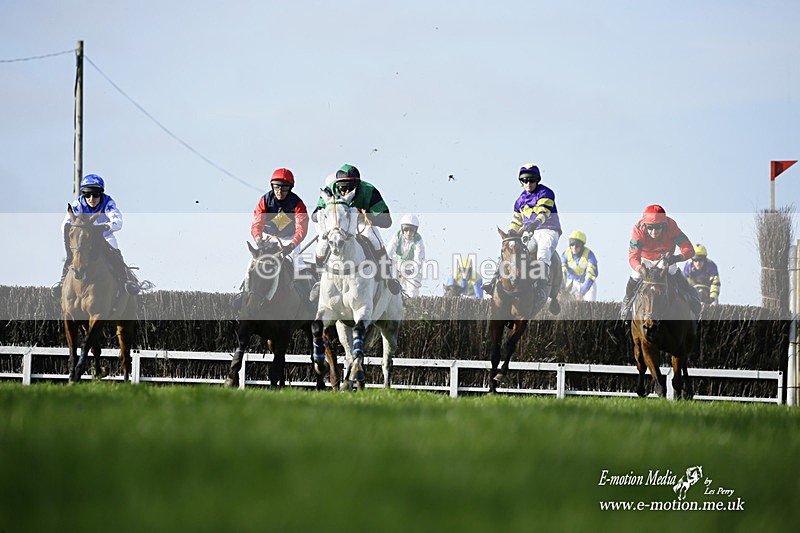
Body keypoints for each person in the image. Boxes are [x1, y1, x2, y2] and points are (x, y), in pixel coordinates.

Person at [310, 164, 400, 295]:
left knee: (375, 240)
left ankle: (388, 277)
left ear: (358, 185)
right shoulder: (329, 190)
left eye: (351, 188)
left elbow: (387, 221)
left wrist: (366, 215)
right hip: (339, 225)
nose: (346, 192)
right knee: (321, 246)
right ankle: (319, 281)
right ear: (337, 184)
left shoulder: (369, 191)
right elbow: (314, 216)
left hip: (362, 223)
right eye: (342, 188)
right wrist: (326, 212)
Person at [483, 163, 561, 310]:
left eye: (531, 180)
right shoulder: (520, 200)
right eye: (524, 181)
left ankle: (542, 291)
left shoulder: (546, 193)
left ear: (537, 180)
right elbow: (516, 221)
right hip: (529, 231)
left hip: (548, 230)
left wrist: (536, 222)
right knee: (511, 250)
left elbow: (543, 212)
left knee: (543, 253)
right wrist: (511, 233)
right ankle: (493, 280)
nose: (528, 183)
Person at [233, 168, 311, 311]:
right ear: (272, 187)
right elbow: (257, 223)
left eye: (284, 188)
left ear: (290, 189)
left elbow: (302, 227)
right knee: (253, 261)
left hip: (290, 238)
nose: (280, 191)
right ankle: (243, 293)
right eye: (276, 187)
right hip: (268, 237)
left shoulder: (297, 203)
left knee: (299, 264)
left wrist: (292, 245)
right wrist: (258, 239)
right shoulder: (264, 200)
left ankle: (307, 298)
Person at [51, 173, 139, 297]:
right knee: (73, 255)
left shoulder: (108, 202)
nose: (91, 199)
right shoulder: (78, 204)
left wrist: (106, 226)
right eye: (87, 194)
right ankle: (62, 283)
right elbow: (66, 224)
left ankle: (126, 281)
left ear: (101, 194)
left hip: (104, 236)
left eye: (96, 194)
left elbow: (118, 222)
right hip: (85, 239)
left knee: (115, 253)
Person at [620, 204, 701, 321]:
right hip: (645, 260)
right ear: (644, 225)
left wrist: (676, 258)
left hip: (665, 260)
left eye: (658, 227)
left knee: (676, 275)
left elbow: (689, 249)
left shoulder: (671, 226)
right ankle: (627, 304)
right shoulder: (638, 229)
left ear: (664, 225)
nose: (654, 232)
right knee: (635, 276)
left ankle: (691, 298)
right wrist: (639, 268)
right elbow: (633, 257)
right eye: (650, 227)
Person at [385, 214, 426, 297]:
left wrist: (410, 270)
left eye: (411, 230)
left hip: (413, 269)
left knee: (412, 290)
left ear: (415, 231)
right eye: (406, 230)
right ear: (402, 229)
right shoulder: (397, 236)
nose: (408, 233)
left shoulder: (418, 240)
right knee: (392, 288)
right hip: (398, 266)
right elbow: (389, 252)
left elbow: (418, 260)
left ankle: (411, 306)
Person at [561, 230, 599, 301]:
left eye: (577, 245)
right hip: (571, 283)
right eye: (572, 244)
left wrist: (582, 292)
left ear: (582, 246)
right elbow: (562, 272)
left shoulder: (590, 255)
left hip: (587, 283)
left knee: (589, 303)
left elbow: (591, 275)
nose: (574, 247)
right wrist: (562, 288)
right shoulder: (565, 254)